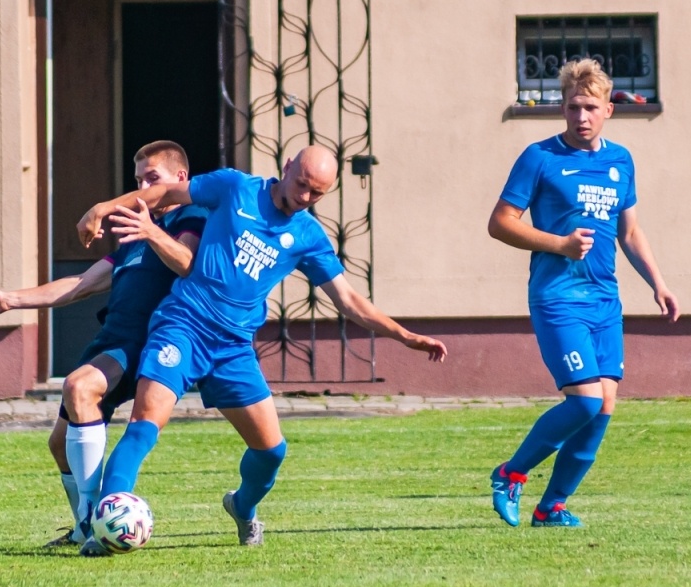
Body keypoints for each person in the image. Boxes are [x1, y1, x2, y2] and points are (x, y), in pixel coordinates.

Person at [77, 145, 448, 553]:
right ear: (287, 166)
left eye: (317, 193)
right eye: (302, 184)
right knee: (144, 427)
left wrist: (405, 336)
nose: (305, 197)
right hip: (183, 324)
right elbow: (163, 193)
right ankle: (102, 532)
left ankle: (242, 506)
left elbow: (349, 301)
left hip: (234, 347)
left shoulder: (307, 236)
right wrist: (103, 207)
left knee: (272, 451)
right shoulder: (235, 187)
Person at [0, 140, 207, 544]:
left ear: (180, 178)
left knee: (79, 385)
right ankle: (89, 522)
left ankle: (91, 525)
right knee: (60, 445)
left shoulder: (192, 216)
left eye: (152, 179)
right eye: (137, 180)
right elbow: (82, 284)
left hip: (146, 342)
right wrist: (12, 299)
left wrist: (152, 232)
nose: (143, 188)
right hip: (110, 338)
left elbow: (187, 263)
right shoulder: (135, 235)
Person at [486, 58, 679, 528]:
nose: (581, 117)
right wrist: (560, 245)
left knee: (604, 407)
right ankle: (510, 473)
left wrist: (658, 282)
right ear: (563, 109)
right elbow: (499, 224)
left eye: (591, 107)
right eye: (573, 107)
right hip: (557, 297)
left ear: (609, 109)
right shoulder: (540, 157)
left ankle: (552, 506)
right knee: (585, 400)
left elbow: (629, 233)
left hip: (604, 301)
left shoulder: (621, 161)